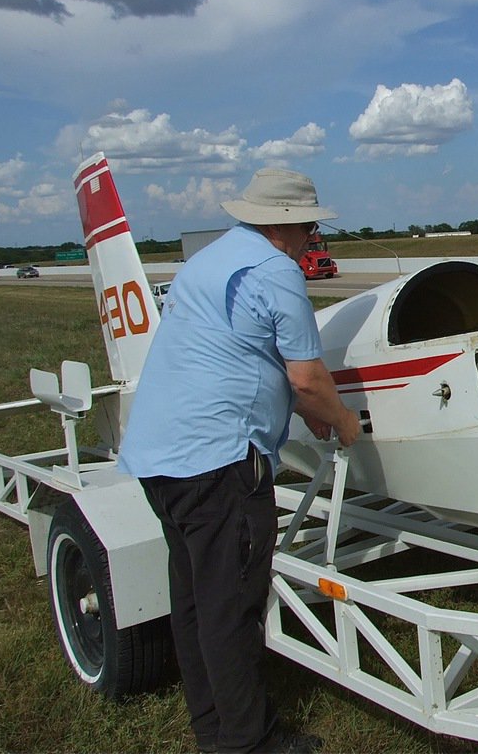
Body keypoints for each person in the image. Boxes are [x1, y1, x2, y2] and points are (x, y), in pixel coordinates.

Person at [118, 168, 361, 754]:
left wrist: (307, 410)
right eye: (307, 227)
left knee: (197, 605)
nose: (310, 239)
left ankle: (214, 731)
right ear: (285, 225)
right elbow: (306, 378)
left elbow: (238, 349)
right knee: (231, 611)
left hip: (160, 457)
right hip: (220, 463)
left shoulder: (211, 258)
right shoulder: (277, 270)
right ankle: (250, 744)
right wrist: (348, 423)